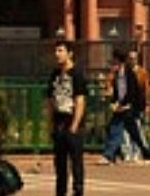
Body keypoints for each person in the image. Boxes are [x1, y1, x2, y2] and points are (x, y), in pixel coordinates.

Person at [45, 40, 86, 196]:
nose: (57, 54)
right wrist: (50, 123)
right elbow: (49, 100)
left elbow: (80, 100)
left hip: (72, 121)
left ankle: (78, 190)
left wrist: (75, 125)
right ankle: (60, 191)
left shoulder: (77, 74)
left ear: (69, 53)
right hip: (59, 122)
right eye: (56, 51)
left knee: (76, 161)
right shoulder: (55, 74)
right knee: (60, 164)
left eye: (60, 50)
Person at [100, 49, 147, 164]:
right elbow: (117, 92)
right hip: (123, 106)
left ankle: (108, 155)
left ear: (120, 62)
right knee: (132, 132)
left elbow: (132, 91)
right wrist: (114, 103)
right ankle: (147, 153)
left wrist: (125, 105)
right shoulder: (117, 75)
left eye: (114, 62)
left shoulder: (129, 73)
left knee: (116, 128)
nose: (112, 65)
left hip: (131, 106)